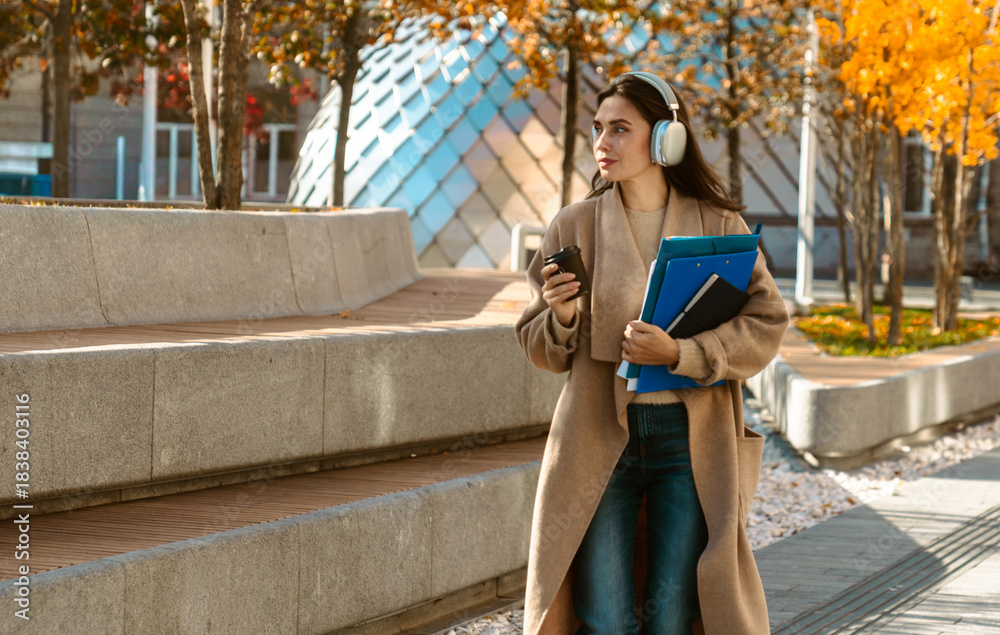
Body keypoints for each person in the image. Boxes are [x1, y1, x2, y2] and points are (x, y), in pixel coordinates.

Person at [514, 72, 790, 635]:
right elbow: (538, 344)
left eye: (620, 129)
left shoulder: (719, 224)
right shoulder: (574, 225)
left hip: (689, 443)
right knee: (604, 614)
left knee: (672, 613)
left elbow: (767, 322)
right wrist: (563, 315)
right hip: (597, 439)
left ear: (667, 138)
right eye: (597, 129)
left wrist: (682, 352)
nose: (603, 143)